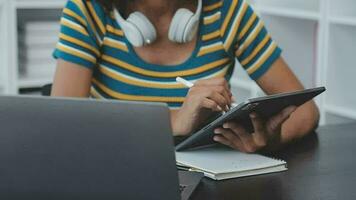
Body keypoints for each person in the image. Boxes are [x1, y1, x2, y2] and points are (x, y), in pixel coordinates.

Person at [51, 0, 320, 153]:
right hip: (116, 162)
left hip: (205, 171)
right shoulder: (88, 10)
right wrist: (175, 119)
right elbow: (63, 122)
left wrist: (270, 140)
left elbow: (306, 112)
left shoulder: (228, 12)